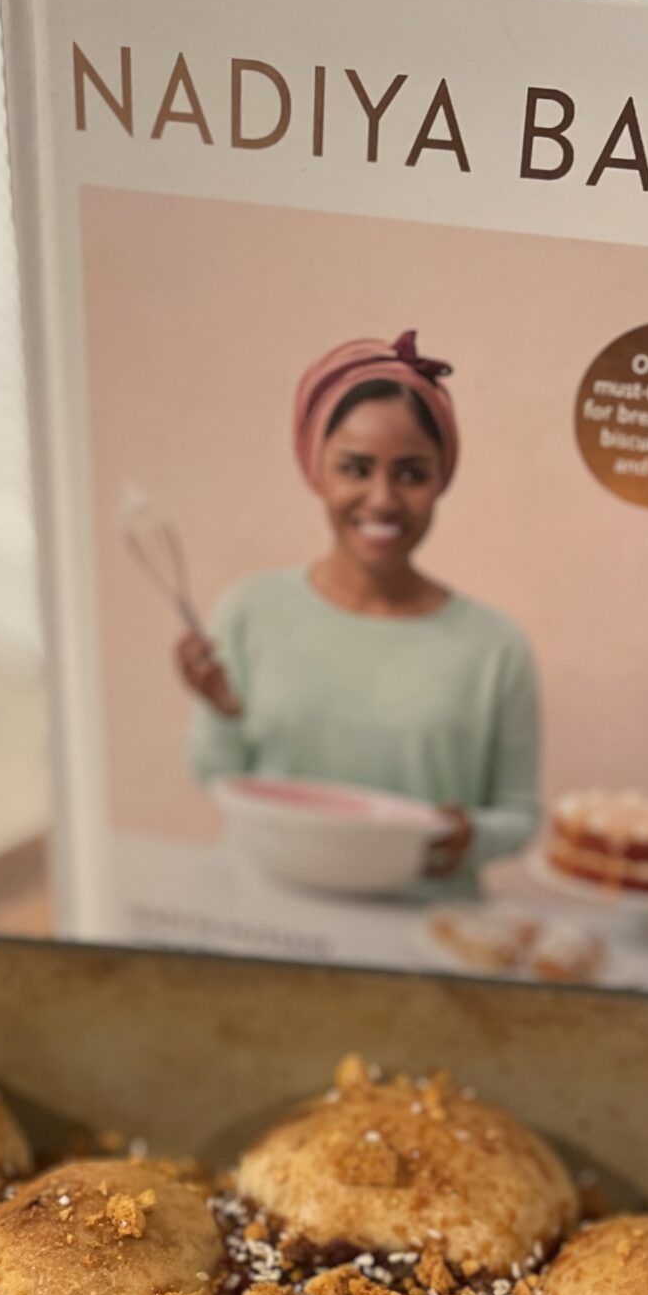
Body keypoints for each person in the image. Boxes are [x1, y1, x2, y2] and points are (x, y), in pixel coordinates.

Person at [179, 331, 540, 896]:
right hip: (269, 912)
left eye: (411, 474)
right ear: (315, 468)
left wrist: (472, 836)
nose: (382, 500)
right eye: (355, 468)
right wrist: (221, 713)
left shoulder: (496, 647)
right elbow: (217, 778)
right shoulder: (250, 610)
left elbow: (519, 815)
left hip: (425, 932)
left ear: (441, 479)